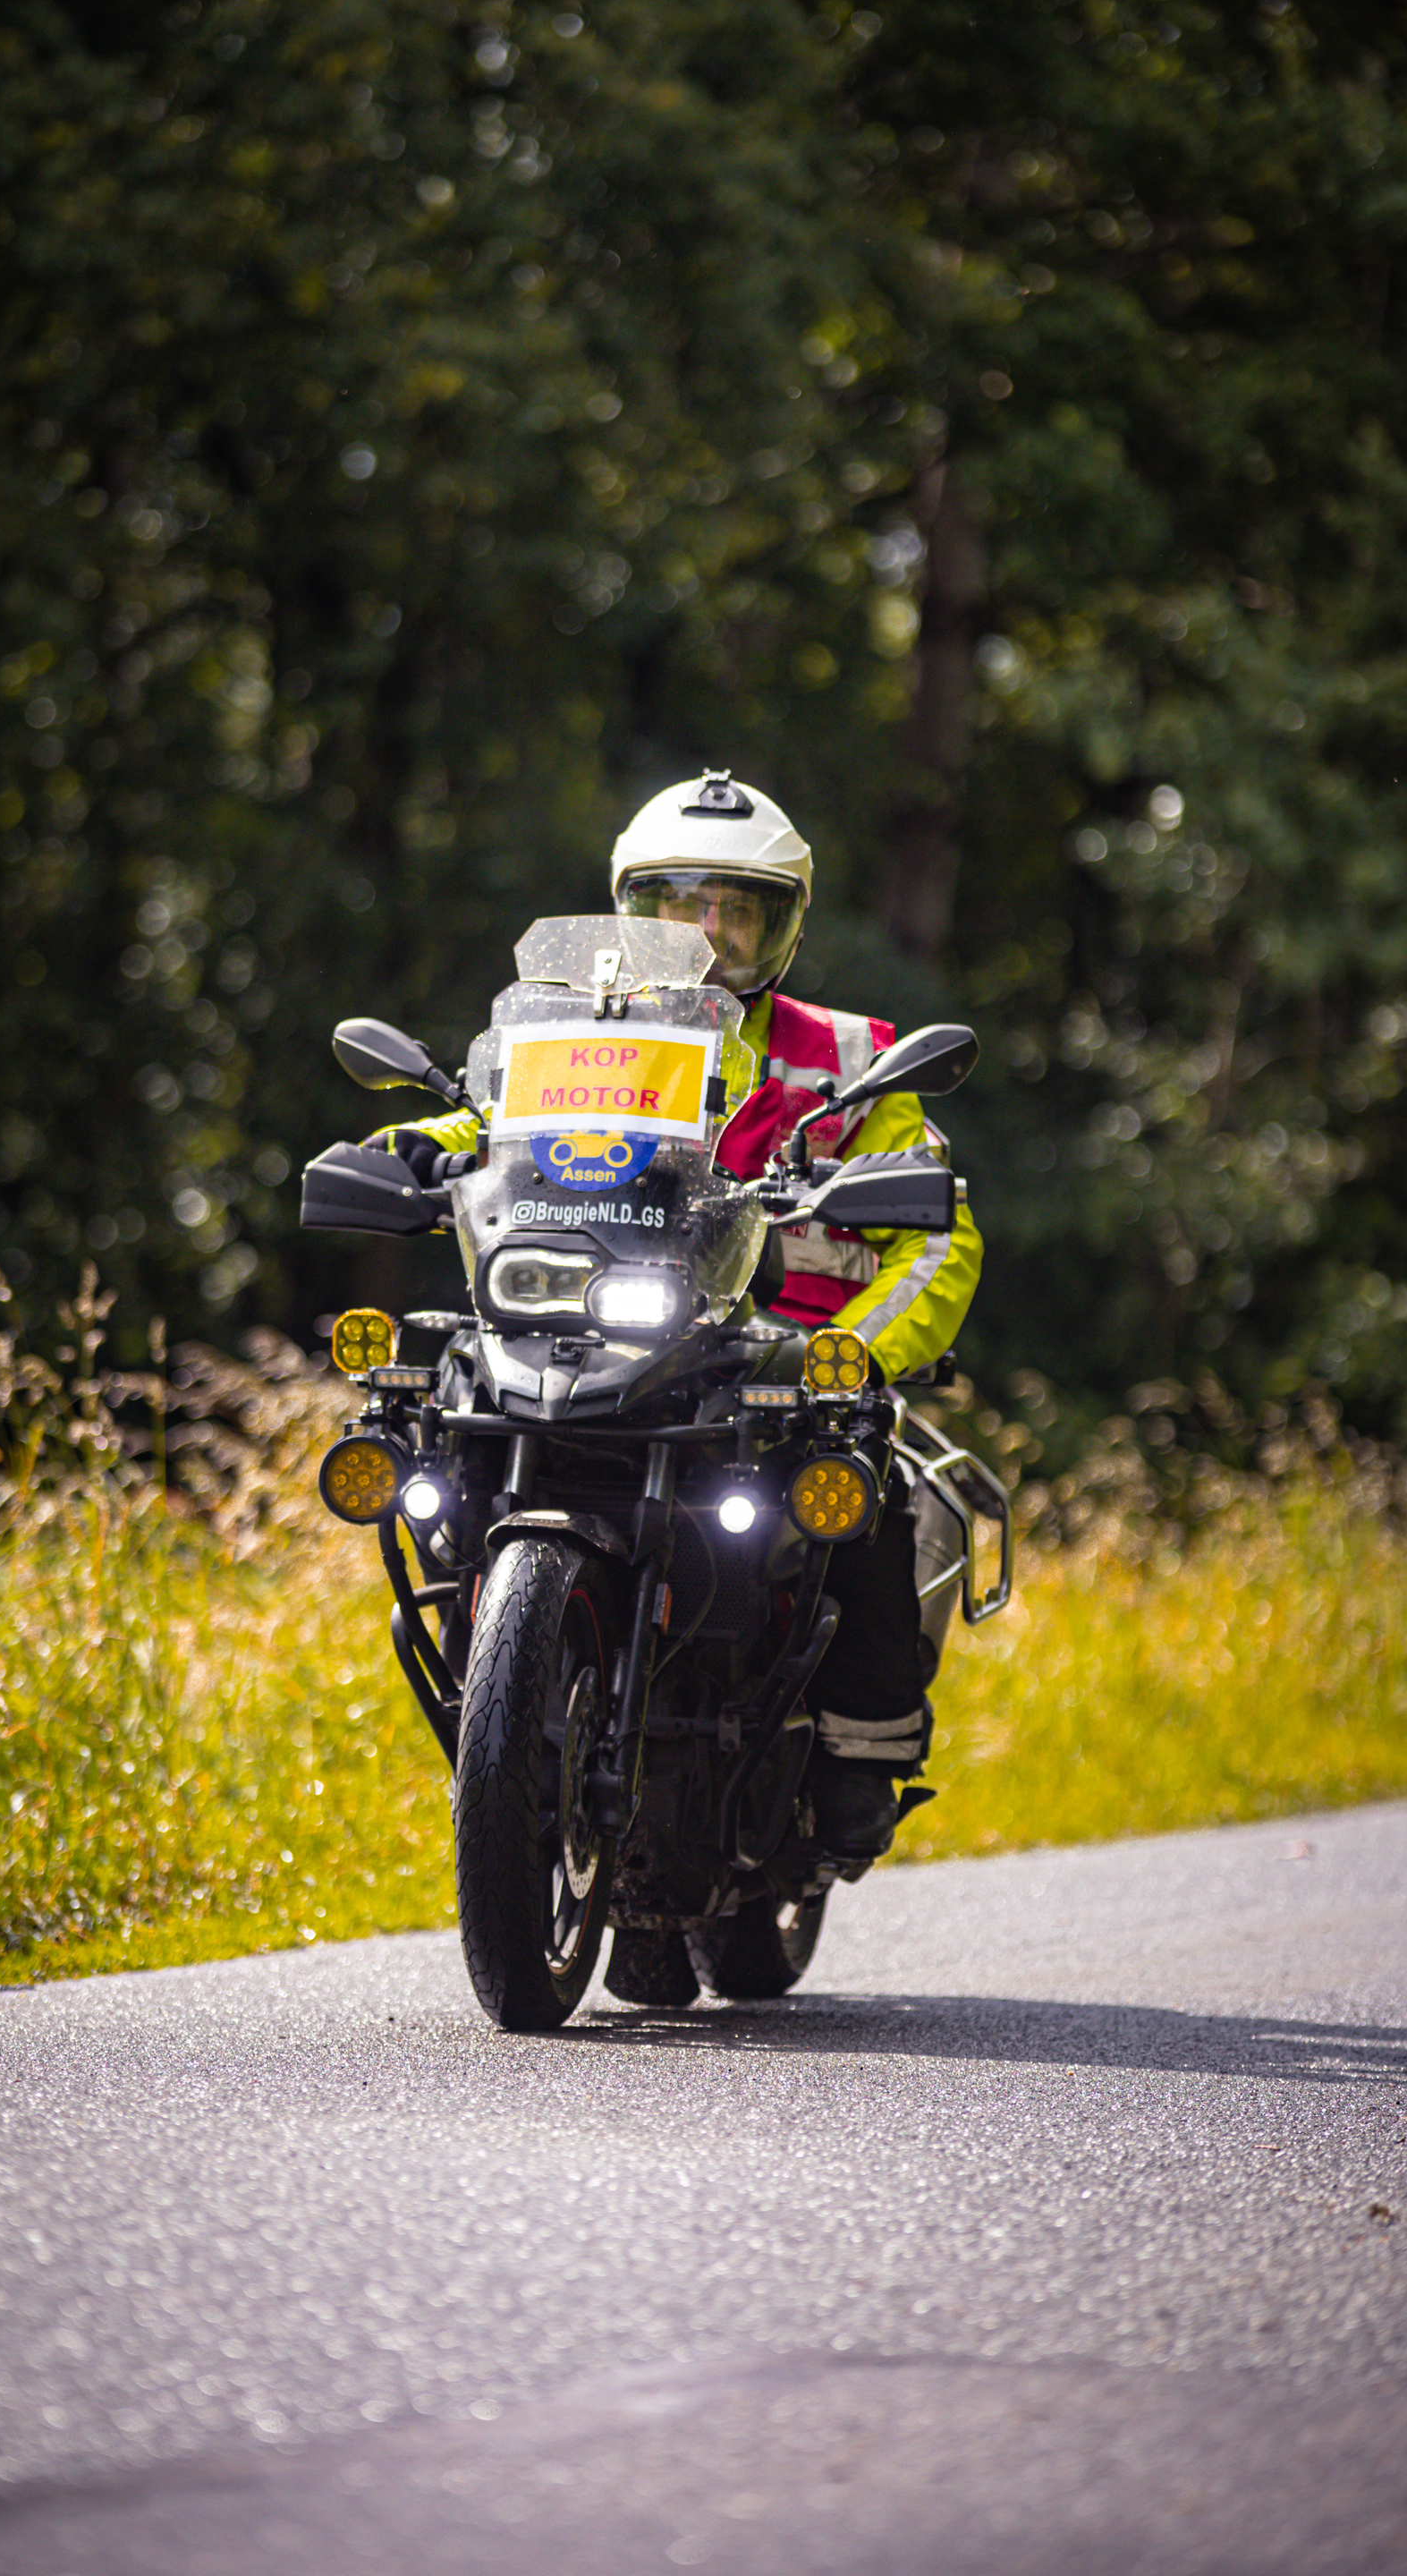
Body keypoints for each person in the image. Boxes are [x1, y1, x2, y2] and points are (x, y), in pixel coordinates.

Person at [369, 772, 983, 1970]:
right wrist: (417, 1149)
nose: (704, 931)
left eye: (736, 909)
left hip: (774, 1363)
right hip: (600, 1335)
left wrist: (853, 1352)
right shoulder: (577, 1039)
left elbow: (942, 1234)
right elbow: (492, 1126)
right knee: (435, 1450)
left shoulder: (847, 1061)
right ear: (626, 906)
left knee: (863, 1493)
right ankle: (515, 1702)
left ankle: (859, 1753)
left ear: (781, 925)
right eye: (675, 902)